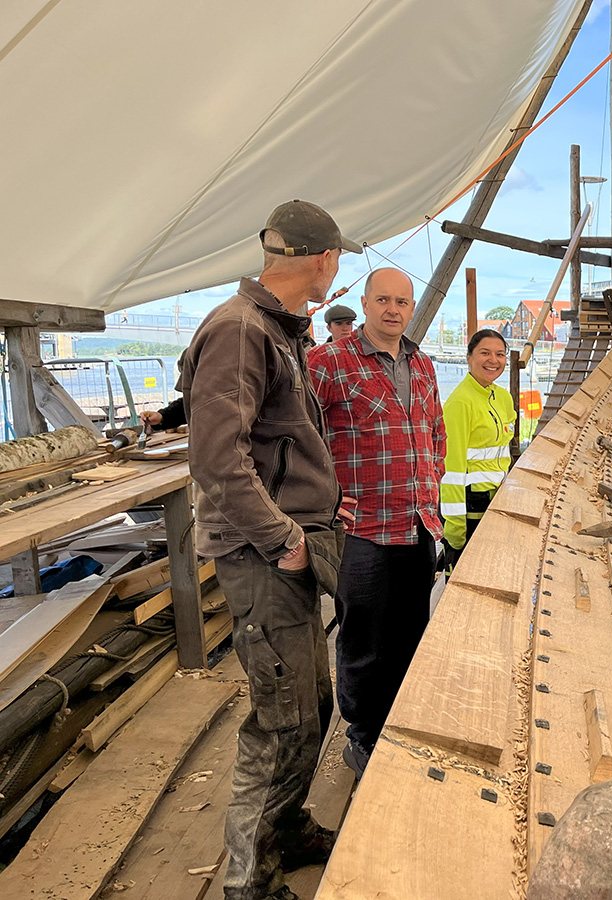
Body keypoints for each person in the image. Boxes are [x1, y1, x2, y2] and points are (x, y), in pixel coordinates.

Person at [177, 199, 360, 900]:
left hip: (288, 546)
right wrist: (282, 537)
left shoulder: (275, 330)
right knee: (279, 717)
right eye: (337, 262)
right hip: (265, 554)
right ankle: (249, 881)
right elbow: (218, 459)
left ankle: (286, 830)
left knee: (308, 699)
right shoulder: (239, 330)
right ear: (324, 259)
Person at [307, 267, 445, 779]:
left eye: (402, 302)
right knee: (364, 638)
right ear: (364, 304)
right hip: (360, 530)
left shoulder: (424, 365)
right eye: (383, 299)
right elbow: (297, 439)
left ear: (411, 309)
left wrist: (427, 486)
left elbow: (434, 433)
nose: (393, 309)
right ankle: (363, 738)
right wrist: (325, 505)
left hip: (416, 525)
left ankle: (400, 727)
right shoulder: (326, 364)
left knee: (411, 632)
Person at [439, 329, 516, 568]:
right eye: (485, 353)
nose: (493, 360)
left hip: (499, 497)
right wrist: (455, 528)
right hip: (472, 505)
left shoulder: (502, 397)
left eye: (500, 354)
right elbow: (451, 468)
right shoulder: (460, 403)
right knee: (468, 572)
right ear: (469, 357)